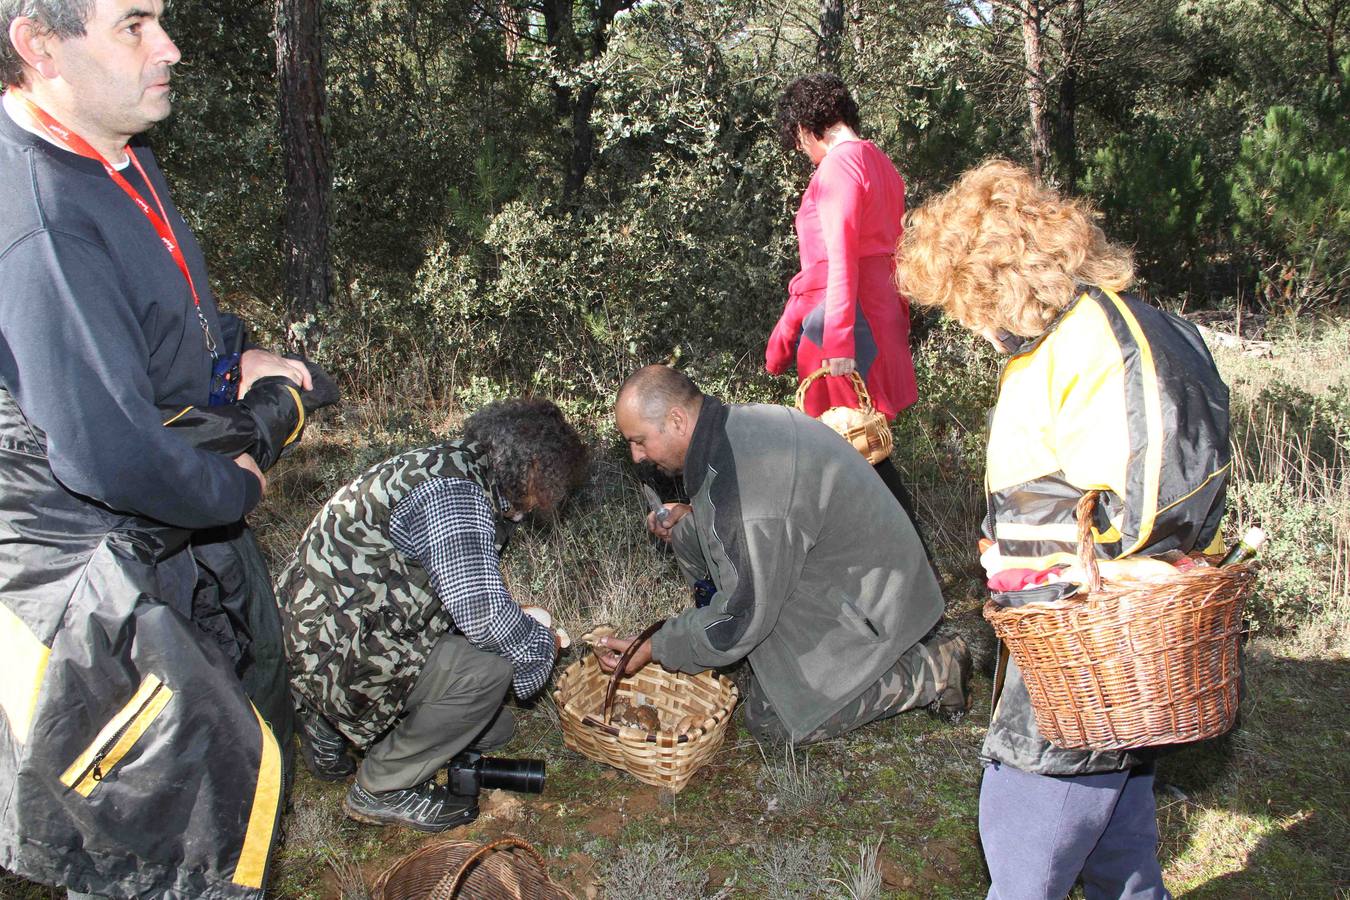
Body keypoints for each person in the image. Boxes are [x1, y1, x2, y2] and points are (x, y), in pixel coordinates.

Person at [0, 1, 323, 896]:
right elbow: (111, 454)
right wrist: (236, 481)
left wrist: (233, 356)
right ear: (40, 46)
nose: (168, 47)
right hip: (91, 576)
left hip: (165, 534)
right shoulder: (40, 220)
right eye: (134, 24)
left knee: (236, 750)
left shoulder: (119, 153)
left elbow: (159, 316)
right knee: (162, 837)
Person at [897, 160, 1231, 900]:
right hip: (1104, 655)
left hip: (1091, 651)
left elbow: (1138, 517)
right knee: (1120, 848)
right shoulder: (1106, 329)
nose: (965, 321)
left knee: (1023, 837)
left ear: (993, 280)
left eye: (961, 302)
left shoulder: (1089, 344)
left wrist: (1022, 558)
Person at [602, 365, 970, 746]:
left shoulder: (742, 490)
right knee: (687, 532)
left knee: (774, 720)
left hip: (879, 602)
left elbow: (742, 616)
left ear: (676, 420)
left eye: (640, 440)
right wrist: (691, 516)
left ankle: (933, 669)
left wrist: (657, 645)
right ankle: (727, 644)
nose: (636, 455)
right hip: (833, 571)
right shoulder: (729, 430)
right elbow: (746, 519)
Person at [277, 399, 589, 833]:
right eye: (549, 485)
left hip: (322, 633)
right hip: (337, 647)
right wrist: (541, 646)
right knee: (491, 674)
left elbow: (451, 589)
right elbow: (481, 615)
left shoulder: (452, 465)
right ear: (535, 465)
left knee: (493, 729)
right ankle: (382, 787)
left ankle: (325, 720)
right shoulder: (457, 494)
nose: (541, 503)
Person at [767, 73, 920, 516]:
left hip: (847, 323)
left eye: (798, 140)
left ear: (804, 125)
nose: (801, 151)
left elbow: (839, 258)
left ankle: (904, 568)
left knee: (850, 455)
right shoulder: (880, 162)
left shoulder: (838, 165)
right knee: (864, 451)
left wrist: (837, 342)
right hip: (876, 313)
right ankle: (906, 568)